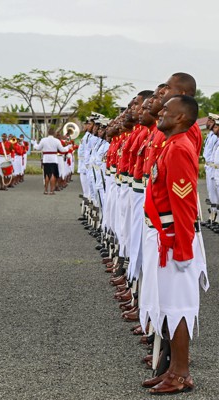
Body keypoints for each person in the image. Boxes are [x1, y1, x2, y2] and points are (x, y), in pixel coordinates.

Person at [140, 95, 209, 395]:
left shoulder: (179, 148)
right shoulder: (170, 145)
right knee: (167, 305)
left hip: (174, 240)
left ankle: (181, 374)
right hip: (164, 235)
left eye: (168, 110)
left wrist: (182, 248)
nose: (161, 112)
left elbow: (183, 204)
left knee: (179, 308)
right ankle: (171, 369)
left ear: (181, 118)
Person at [32, 129, 71, 194]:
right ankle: (52, 191)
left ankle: (46, 190)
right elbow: (62, 150)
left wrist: (34, 143)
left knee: (46, 174)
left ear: (48, 133)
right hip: (53, 158)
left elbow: (38, 148)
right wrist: (68, 147)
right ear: (54, 134)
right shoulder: (57, 141)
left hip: (46, 158)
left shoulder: (43, 140)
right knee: (53, 174)